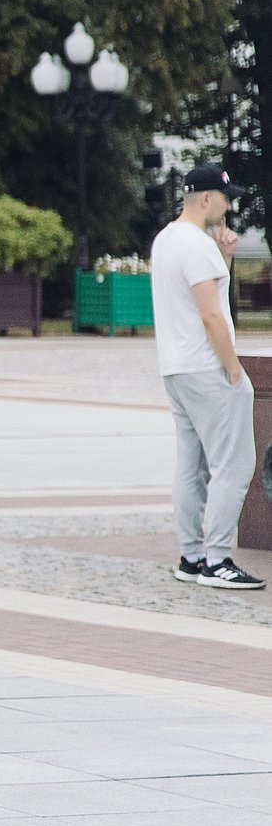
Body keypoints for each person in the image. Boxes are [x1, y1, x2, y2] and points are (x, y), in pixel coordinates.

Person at [151, 165, 267, 590]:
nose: (229, 206)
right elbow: (210, 314)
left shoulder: (166, 240)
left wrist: (227, 258)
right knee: (234, 463)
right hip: (206, 367)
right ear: (205, 198)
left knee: (191, 464)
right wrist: (233, 368)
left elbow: (197, 296)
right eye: (225, 198)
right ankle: (217, 560)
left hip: (176, 366)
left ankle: (192, 556)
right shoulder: (197, 245)